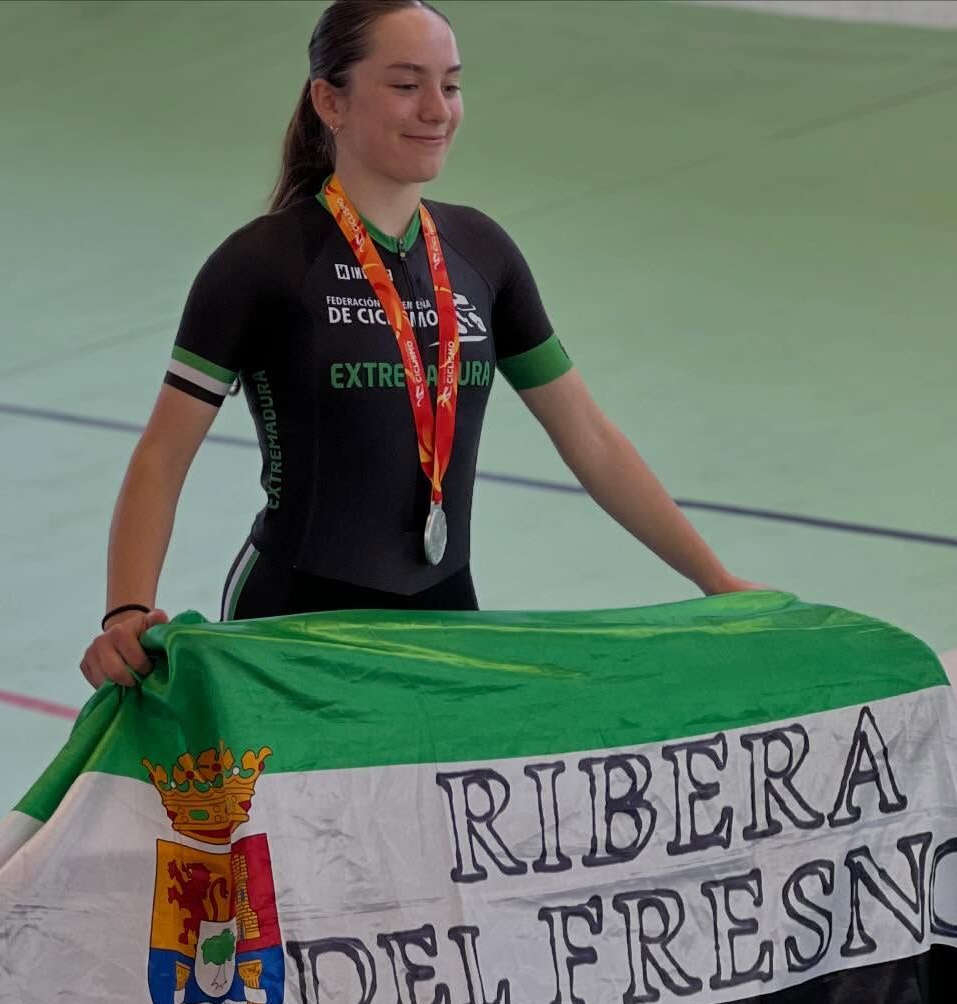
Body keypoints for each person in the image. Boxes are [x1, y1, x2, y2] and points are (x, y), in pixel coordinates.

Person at [80, 0, 760, 691]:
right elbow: (162, 457)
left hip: (445, 625)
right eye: (406, 86)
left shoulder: (483, 256)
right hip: (289, 630)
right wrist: (126, 612)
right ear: (330, 101)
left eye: (452, 84)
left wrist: (716, 580)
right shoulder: (260, 265)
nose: (437, 109)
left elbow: (591, 438)